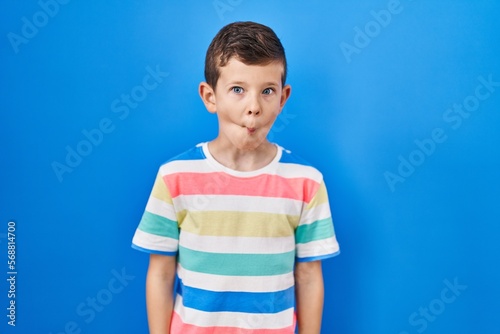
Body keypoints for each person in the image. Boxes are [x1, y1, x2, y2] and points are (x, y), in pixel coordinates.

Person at [131, 21, 340, 334]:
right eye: (238, 90)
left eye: (267, 91)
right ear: (210, 96)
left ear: (283, 98)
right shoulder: (175, 178)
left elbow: (309, 276)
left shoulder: (306, 182)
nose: (253, 107)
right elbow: (160, 273)